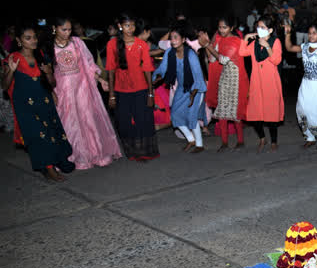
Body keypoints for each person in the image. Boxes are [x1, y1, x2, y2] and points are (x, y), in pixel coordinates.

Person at [2, 24, 75, 180]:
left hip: (44, 100)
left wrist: (49, 74)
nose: (33, 41)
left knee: (52, 131)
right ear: (19, 41)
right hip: (25, 105)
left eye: (34, 37)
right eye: (28, 38)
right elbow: (4, 86)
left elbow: (52, 83)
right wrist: (11, 71)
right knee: (38, 135)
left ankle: (59, 160)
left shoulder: (41, 55)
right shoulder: (13, 58)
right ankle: (49, 169)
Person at [48, 17, 121, 169]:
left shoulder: (77, 42)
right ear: (55, 28)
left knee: (88, 119)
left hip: (82, 87)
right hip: (63, 91)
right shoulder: (48, 47)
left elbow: (88, 65)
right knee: (70, 123)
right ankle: (75, 157)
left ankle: (95, 154)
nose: (67, 33)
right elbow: (48, 73)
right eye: (64, 30)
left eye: (69, 29)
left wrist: (100, 79)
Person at [106, 13, 158, 162]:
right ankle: (132, 152)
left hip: (141, 88)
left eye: (133, 25)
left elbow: (147, 70)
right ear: (120, 26)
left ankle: (144, 152)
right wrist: (111, 95)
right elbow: (110, 70)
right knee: (124, 123)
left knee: (143, 121)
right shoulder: (112, 44)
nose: (131, 28)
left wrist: (150, 94)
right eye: (127, 25)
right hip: (121, 90)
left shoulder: (141, 44)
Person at [153, 25, 207, 153]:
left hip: (196, 88)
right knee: (175, 115)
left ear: (183, 39)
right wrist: (156, 78)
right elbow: (162, 69)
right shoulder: (169, 53)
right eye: (171, 38)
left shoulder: (191, 54)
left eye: (176, 37)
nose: (173, 40)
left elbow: (198, 76)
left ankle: (200, 145)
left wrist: (193, 94)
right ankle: (190, 139)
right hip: (182, 88)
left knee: (192, 116)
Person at [200, 17, 249, 151]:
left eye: (224, 28)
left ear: (232, 28)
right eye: (220, 27)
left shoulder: (235, 41)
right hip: (224, 76)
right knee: (222, 109)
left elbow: (223, 59)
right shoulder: (219, 39)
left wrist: (207, 45)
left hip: (235, 77)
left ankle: (240, 141)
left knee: (235, 110)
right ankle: (224, 143)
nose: (221, 30)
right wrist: (208, 45)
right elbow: (212, 58)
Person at [285, 22, 317, 149]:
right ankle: (310, 137)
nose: (311, 36)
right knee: (302, 109)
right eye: (310, 33)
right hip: (306, 84)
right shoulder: (305, 47)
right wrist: (288, 34)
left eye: (314, 33)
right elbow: (289, 47)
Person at [240, 17, 284, 152]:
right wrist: (246, 37)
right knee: (254, 115)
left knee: (271, 114)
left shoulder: (275, 42)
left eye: (263, 27)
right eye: (258, 27)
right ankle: (262, 138)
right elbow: (242, 52)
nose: (259, 30)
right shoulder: (254, 43)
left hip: (270, 82)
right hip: (256, 82)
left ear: (270, 30)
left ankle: (274, 141)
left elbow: (276, 60)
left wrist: (267, 46)